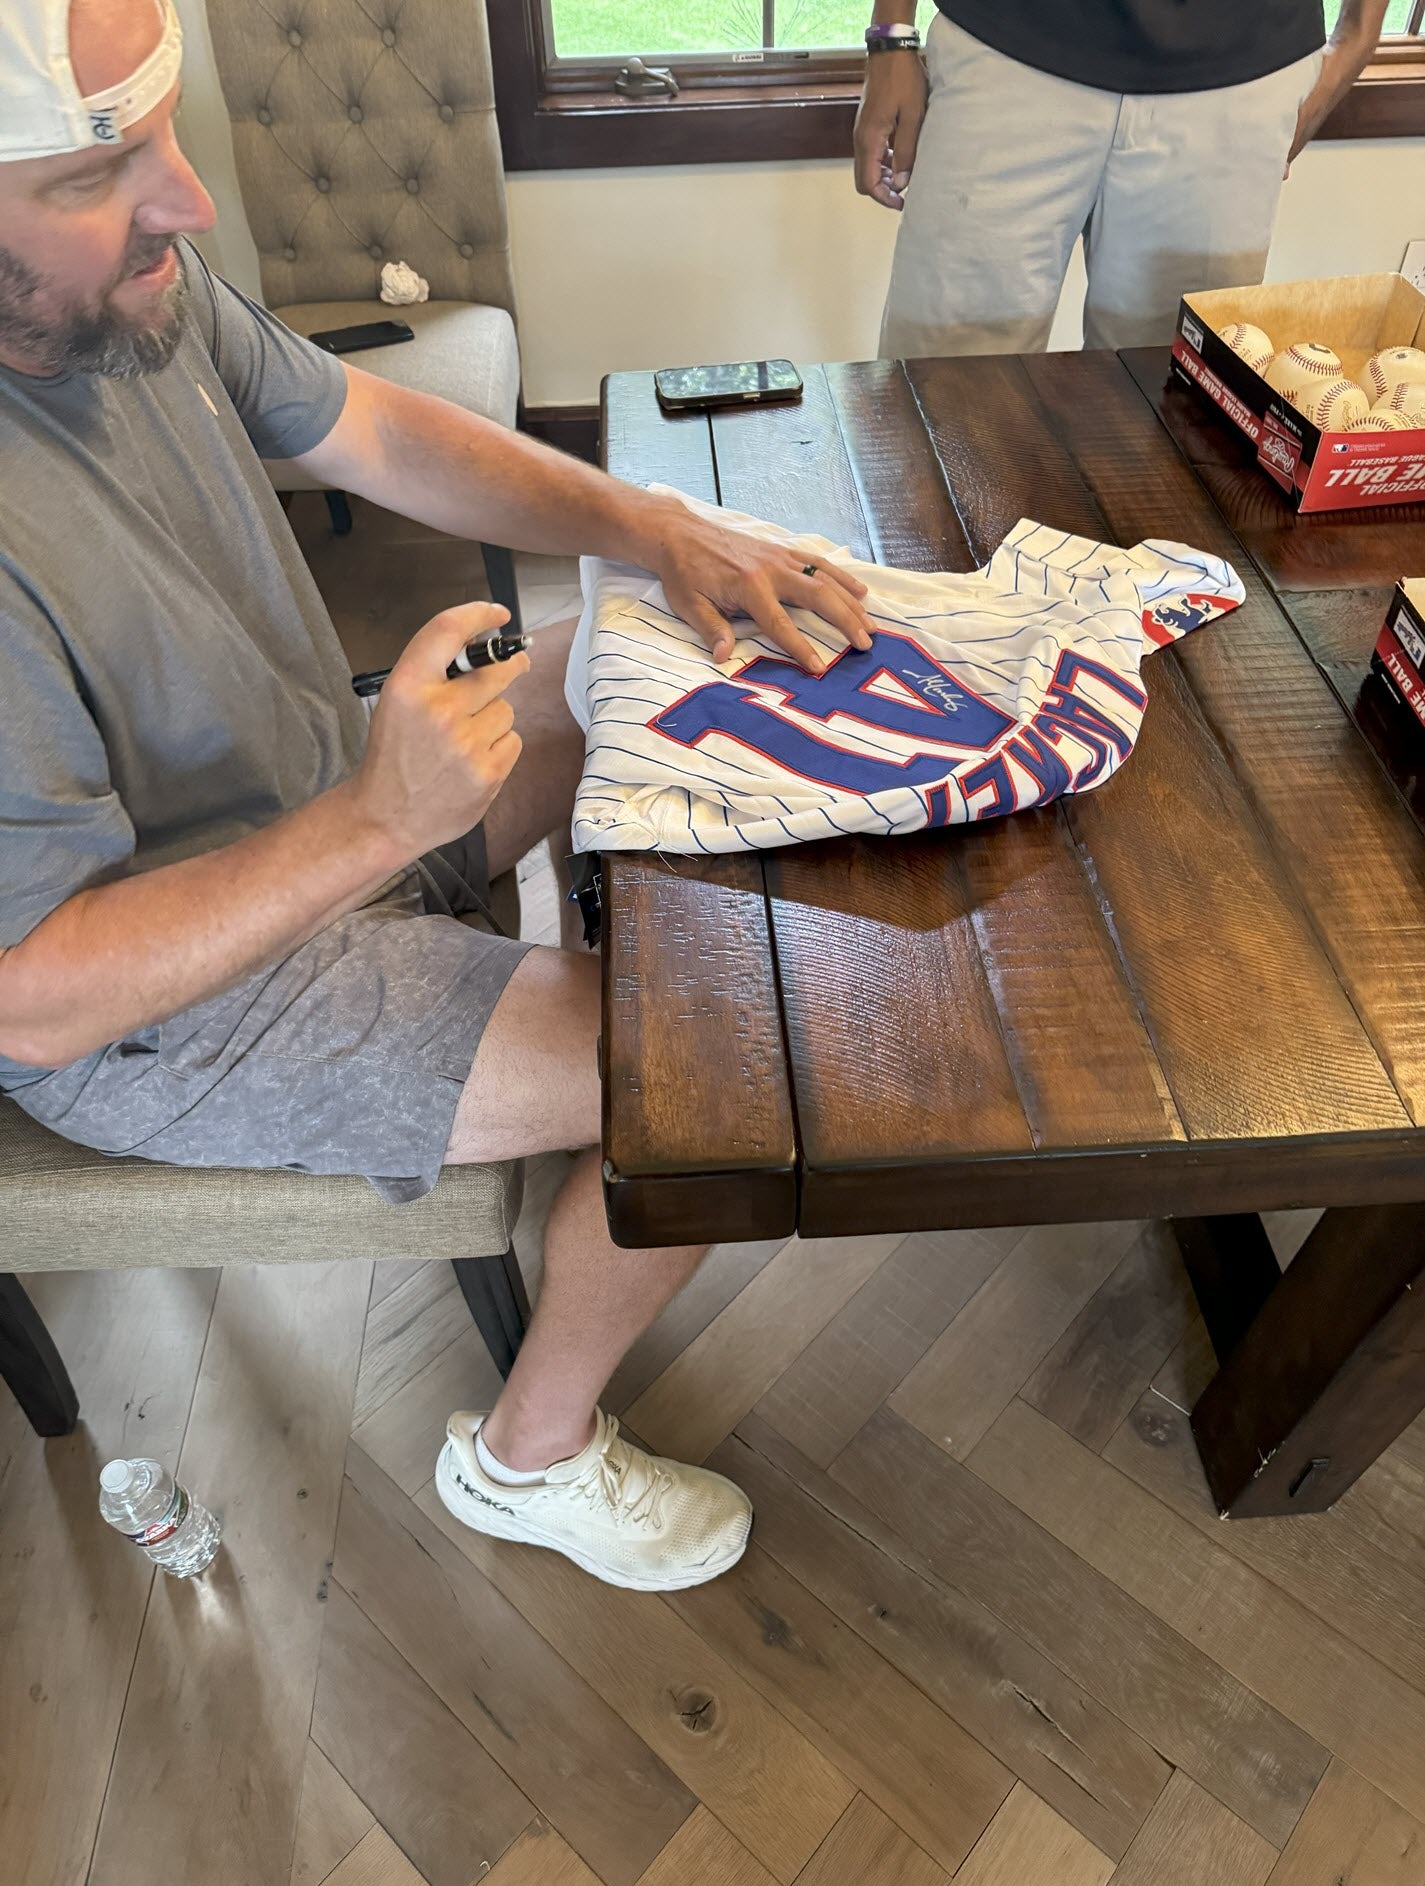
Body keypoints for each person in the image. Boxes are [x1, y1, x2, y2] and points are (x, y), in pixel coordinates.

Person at [0, 0, 877, 1591]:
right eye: (95, 172)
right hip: (167, 1011)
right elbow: (36, 1002)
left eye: (168, 132)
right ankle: (528, 1456)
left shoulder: (122, 295)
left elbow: (375, 426)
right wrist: (375, 825)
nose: (188, 199)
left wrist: (655, 528)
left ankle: (566, 1022)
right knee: (734, 1075)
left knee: (643, 654)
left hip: (323, 793)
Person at [855, 0, 1389, 357]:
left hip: (1242, 68)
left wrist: (1359, 37)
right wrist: (891, 30)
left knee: (1172, 423)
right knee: (941, 402)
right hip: (1007, 45)